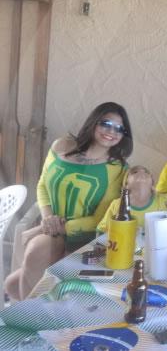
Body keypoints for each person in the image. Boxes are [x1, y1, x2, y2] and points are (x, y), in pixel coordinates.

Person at [5, 102, 132, 300]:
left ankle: (30, 319)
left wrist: (45, 229)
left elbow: (99, 219)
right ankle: (39, 315)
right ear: (94, 122)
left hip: (82, 238)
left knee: (36, 251)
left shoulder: (118, 169)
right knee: (11, 286)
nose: (111, 131)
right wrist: (48, 220)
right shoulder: (61, 145)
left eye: (119, 129)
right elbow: (43, 186)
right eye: (106, 123)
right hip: (52, 228)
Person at [96, 165, 167, 233]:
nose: (141, 173)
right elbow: (101, 230)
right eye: (135, 172)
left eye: (146, 172)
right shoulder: (117, 204)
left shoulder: (165, 201)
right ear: (126, 185)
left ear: (152, 184)